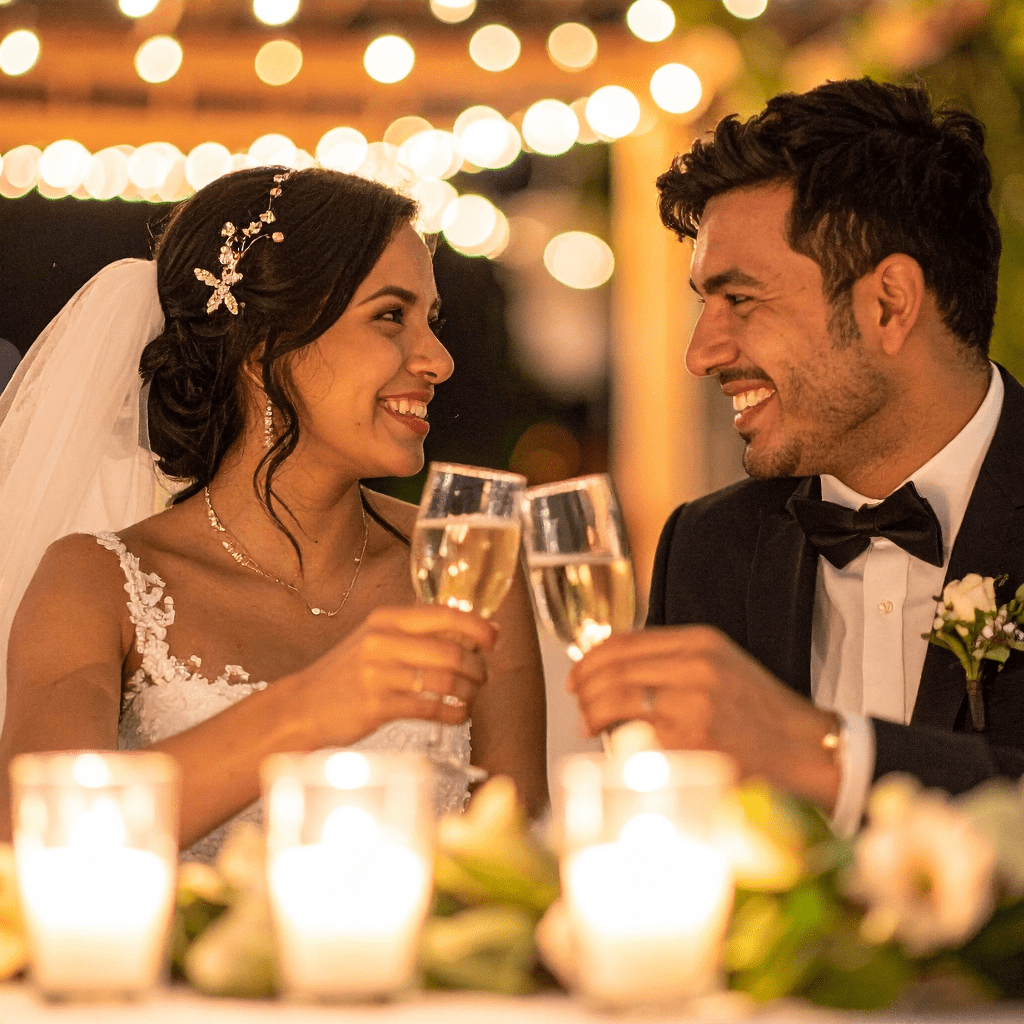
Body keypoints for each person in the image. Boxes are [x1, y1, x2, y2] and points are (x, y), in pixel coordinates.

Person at [0, 166, 547, 858]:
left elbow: (522, 856)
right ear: (263, 345)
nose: (438, 360)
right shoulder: (96, 582)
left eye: (430, 322)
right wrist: (311, 708)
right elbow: (39, 838)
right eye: (390, 316)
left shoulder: (469, 563)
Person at [569, 77, 1024, 834]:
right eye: (704, 304)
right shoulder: (706, 549)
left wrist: (819, 753)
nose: (700, 353)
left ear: (889, 303)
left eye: (741, 300)